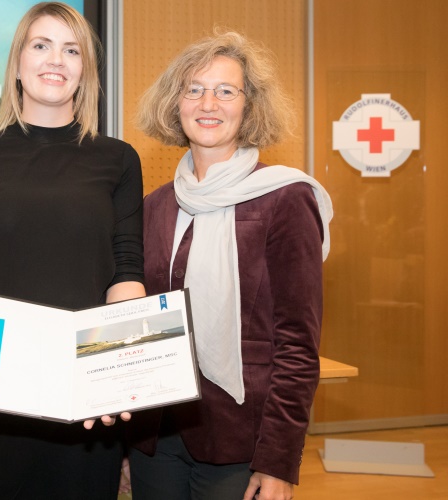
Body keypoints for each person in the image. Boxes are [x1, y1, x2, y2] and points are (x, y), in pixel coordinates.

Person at [0, 2, 145, 499]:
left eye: (72, 50)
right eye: (41, 45)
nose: (56, 60)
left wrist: (116, 372)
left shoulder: (118, 159)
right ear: (18, 62)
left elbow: (126, 274)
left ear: (85, 69)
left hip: (83, 395)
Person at [127, 31, 333, 500]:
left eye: (225, 91)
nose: (208, 103)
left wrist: (278, 461)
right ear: (175, 103)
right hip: (155, 438)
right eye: (194, 89)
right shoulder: (154, 206)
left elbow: (299, 345)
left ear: (249, 105)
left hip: (244, 441)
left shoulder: (286, 199)